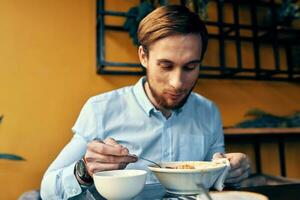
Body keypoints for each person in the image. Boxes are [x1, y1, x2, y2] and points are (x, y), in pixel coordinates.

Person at [40, 5, 250, 199]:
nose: (177, 83)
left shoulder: (208, 111)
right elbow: (47, 189)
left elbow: (214, 180)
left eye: (190, 67)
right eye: (166, 66)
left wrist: (230, 171)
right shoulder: (100, 110)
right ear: (143, 56)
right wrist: (84, 171)